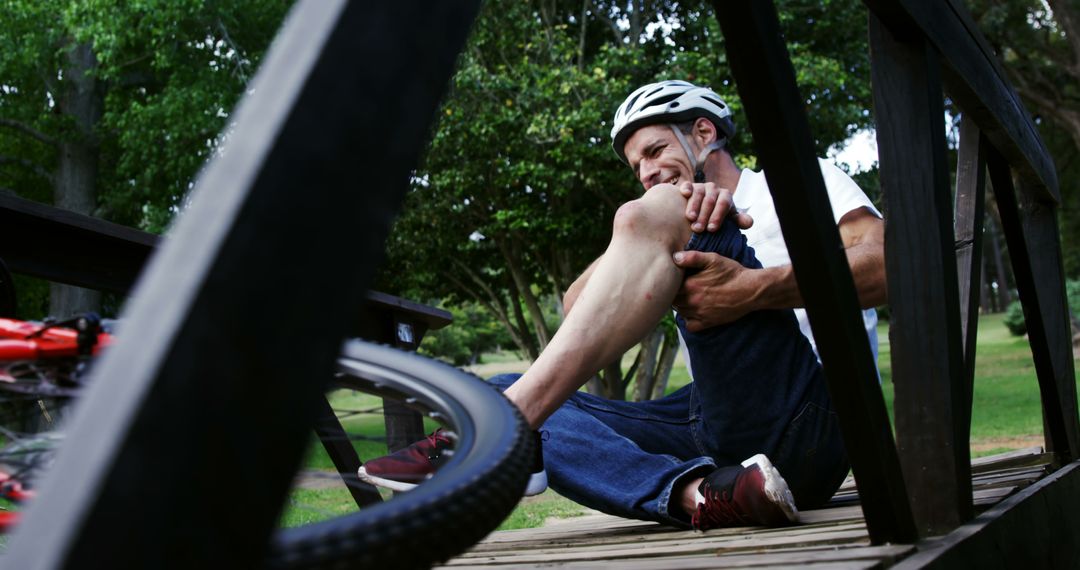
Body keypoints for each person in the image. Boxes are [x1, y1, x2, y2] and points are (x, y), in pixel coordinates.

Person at [360, 80, 886, 530]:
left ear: (704, 132)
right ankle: (704, 496)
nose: (648, 172)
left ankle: (504, 425)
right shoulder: (668, 210)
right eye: (637, 166)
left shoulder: (797, 182)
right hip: (720, 428)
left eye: (655, 151)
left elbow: (889, 264)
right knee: (495, 388)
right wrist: (638, 227)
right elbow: (578, 306)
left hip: (817, 417)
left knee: (508, 408)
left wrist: (753, 288)